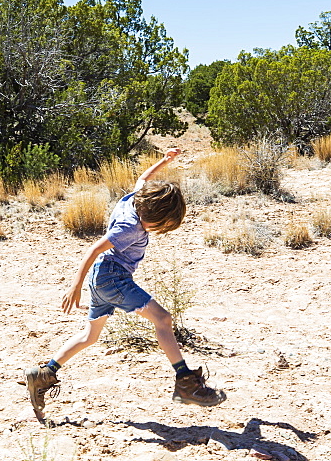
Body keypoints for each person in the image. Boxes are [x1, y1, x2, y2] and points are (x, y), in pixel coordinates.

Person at [25, 148, 226, 423]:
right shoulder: (130, 227)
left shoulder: (134, 200)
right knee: (163, 319)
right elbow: (94, 248)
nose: (158, 229)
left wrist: (165, 161)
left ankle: (44, 374)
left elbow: (143, 178)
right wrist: (75, 286)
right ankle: (185, 381)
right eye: (160, 224)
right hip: (112, 277)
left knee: (90, 336)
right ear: (150, 215)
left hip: (102, 277)